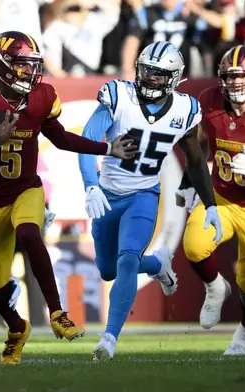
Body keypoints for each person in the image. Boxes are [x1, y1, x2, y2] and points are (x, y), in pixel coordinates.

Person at [0, 30, 137, 365]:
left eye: (32, 65)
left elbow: (60, 137)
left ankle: (57, 313)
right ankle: (16, 330)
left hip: (27, 189)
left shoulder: (41, 96)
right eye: (22, 66)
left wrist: (106, 147)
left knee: (29, 233)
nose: (30, 72)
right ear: (2, 66)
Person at [79, 41, 222, 361]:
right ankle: (159, 263)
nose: (149, 79)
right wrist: (91, 186)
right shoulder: (119, 96)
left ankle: (109, 339)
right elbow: (88, 141)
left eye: (157, 75)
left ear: (173, 77)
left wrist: (210, 204)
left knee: (128, 258)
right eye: (145, 71)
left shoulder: (184, 109)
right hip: (108, 194)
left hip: (143, 196)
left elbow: (197, 159)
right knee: (107, 269)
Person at [176, 45, 245, 356]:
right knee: (194, 245)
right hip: (221, 197)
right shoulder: (208, 100)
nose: (235, 84)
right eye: (229, 78)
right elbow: (199, 144)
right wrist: (188, 180)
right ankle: (214, 287)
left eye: (243, 77)